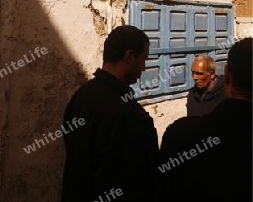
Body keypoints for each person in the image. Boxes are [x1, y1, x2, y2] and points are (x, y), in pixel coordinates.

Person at [61, 25, 159, 202]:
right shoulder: (124, 112)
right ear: (129, 56)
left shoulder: (82, 96)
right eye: (143, 59)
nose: (143, 68)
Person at [158, 38, 252, 202]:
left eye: (199, 73)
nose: (195, 77)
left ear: (226, 76)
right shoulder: (191, 99)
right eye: (193, 73)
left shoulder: (179, 135)